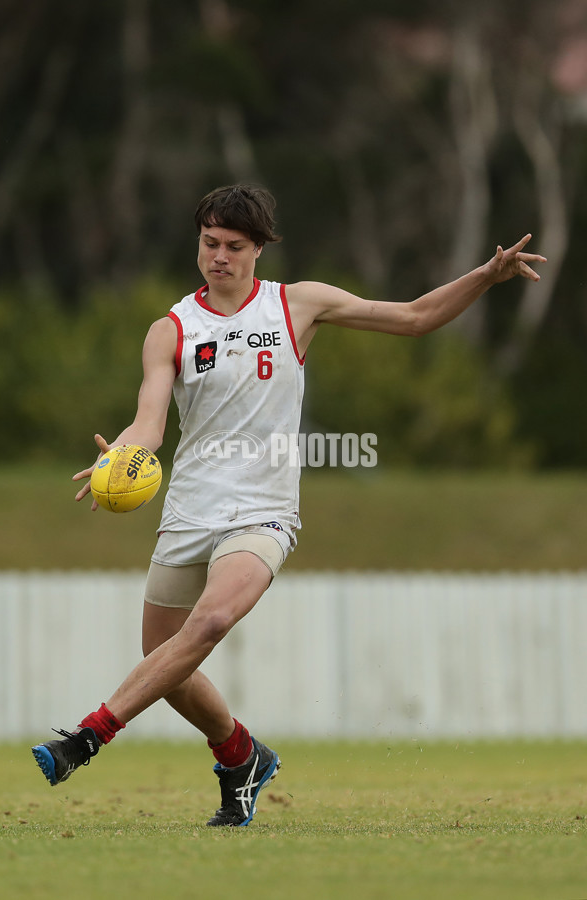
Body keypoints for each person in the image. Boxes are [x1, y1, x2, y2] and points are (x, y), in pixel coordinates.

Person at [31, 184, 546, 826]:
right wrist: (122, 457)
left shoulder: (296, 305)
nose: (219, 257)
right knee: (164, 661)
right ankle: (241, 754)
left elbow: (415, 316)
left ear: (260, 249)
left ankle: (87, 735)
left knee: (210, 625)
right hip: (190, 510)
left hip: (262, 511)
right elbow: (150, 423)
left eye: (234, 247)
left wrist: (488, 274)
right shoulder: (170, 330)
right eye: (209, 243)